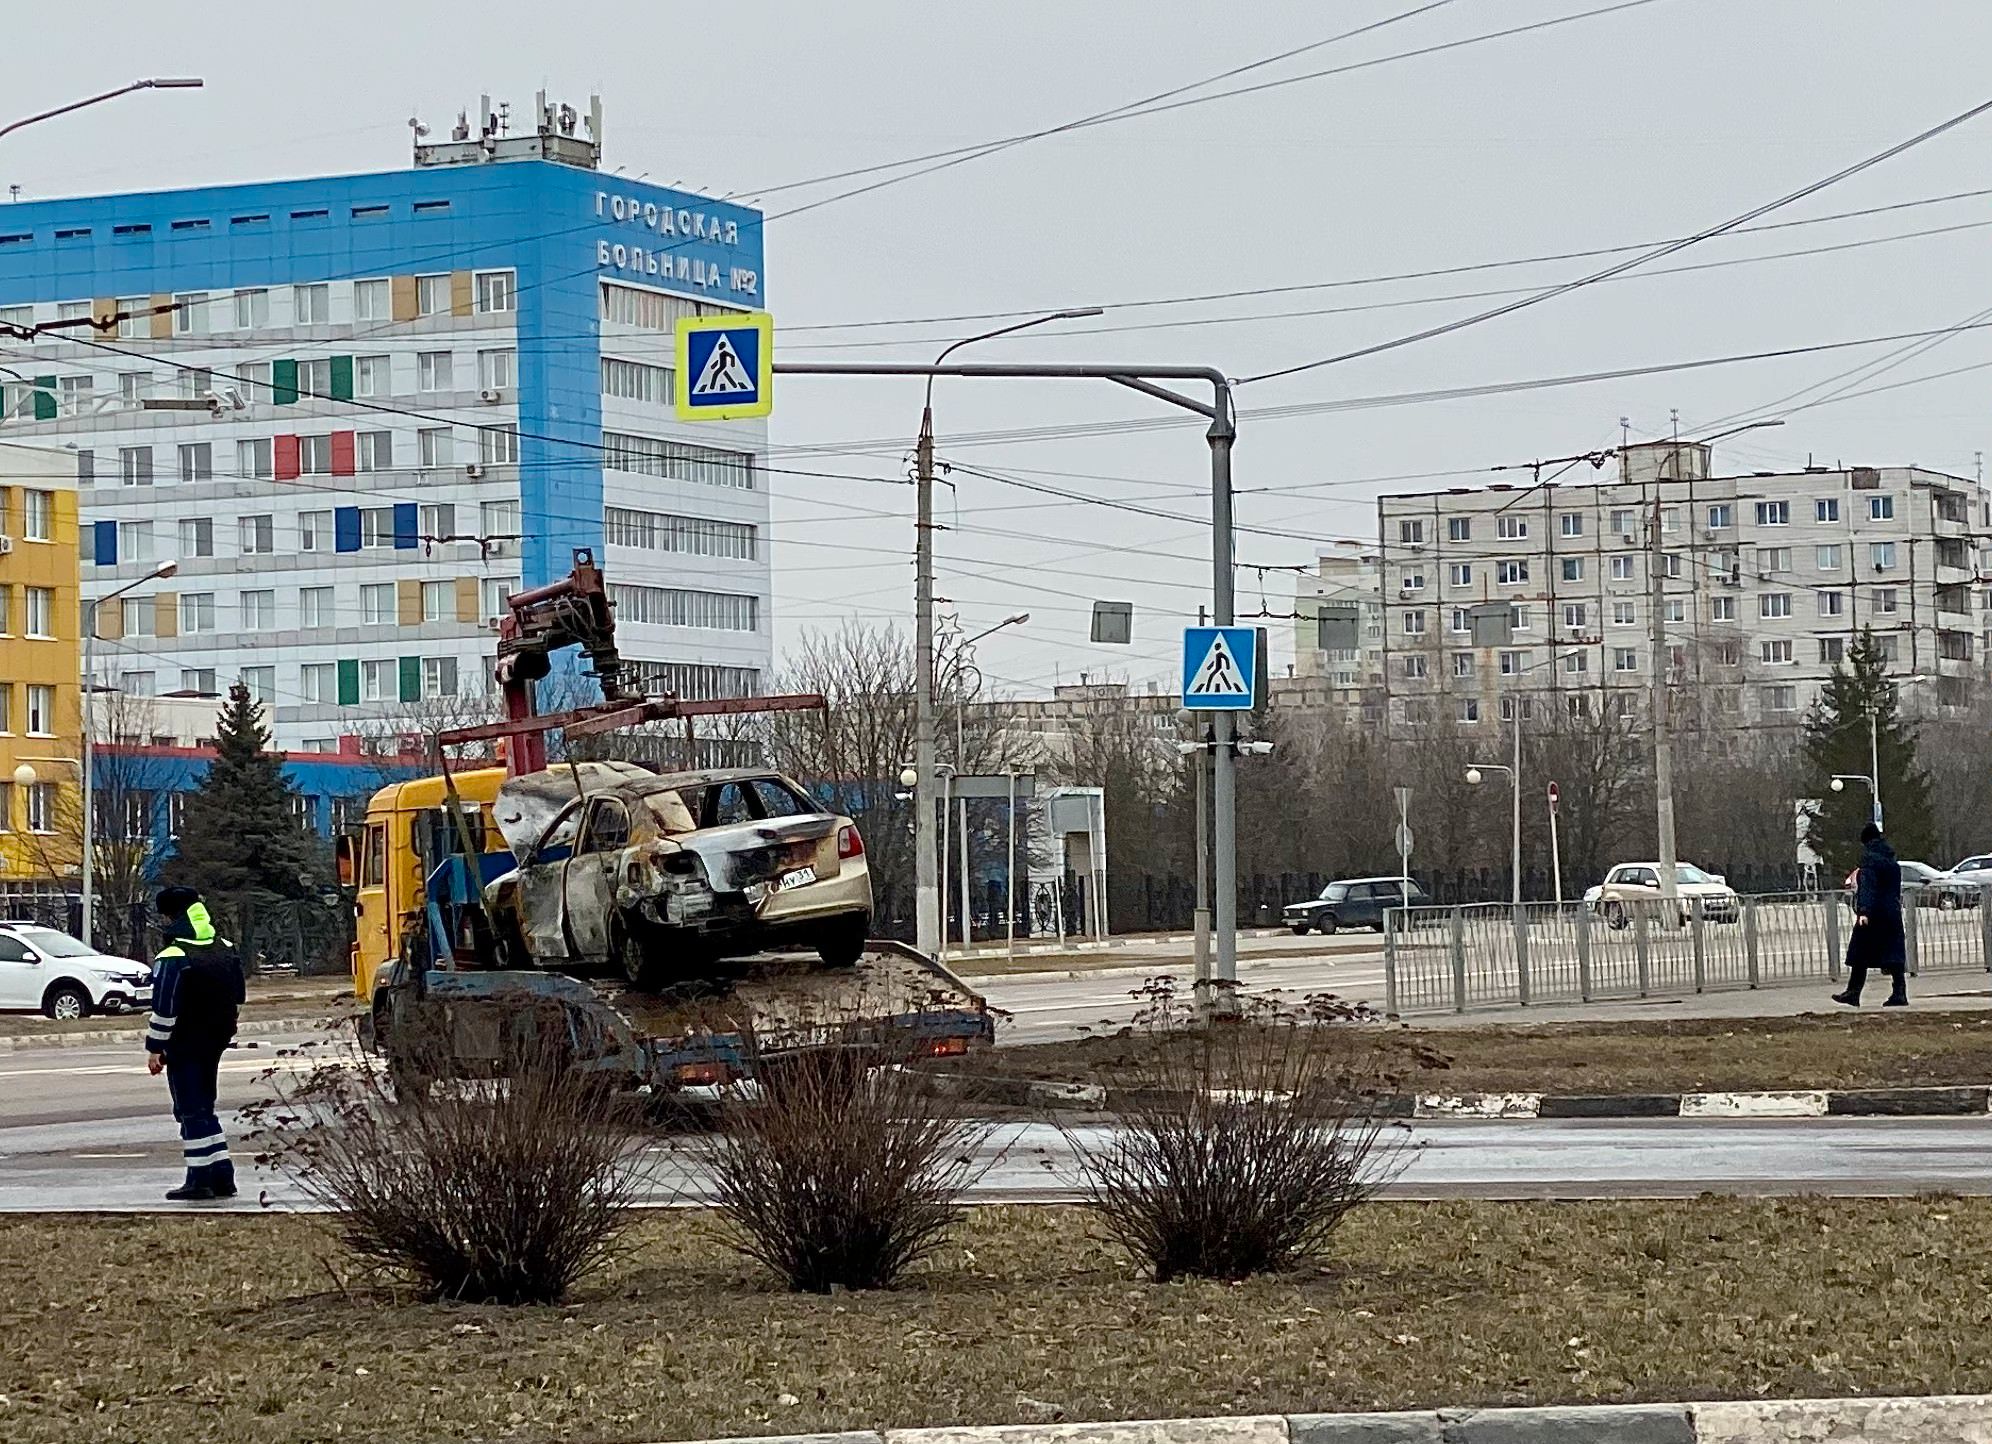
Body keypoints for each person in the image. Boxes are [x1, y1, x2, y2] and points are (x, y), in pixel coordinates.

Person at [144, 886, 246, 1200]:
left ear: (171, 917)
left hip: (184, 1043)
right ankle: (222, 1175)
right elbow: (239, 995)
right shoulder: (225, 948)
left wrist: (155, 1048)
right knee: (205, 1108)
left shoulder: (174, 956)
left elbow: (165, 1008)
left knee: (189, 1110)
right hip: (217, 1038)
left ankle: (199, 1179)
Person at [1833, 823, 1907, 1009]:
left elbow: (1868, 887)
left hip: (1874, 913)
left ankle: (1853, 992)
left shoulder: (1870, 860)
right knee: (1893, 953)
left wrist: (1864, 911)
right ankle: (1899, 992)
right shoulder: (1892, 861)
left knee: (1860, 952)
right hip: (1892, 911)